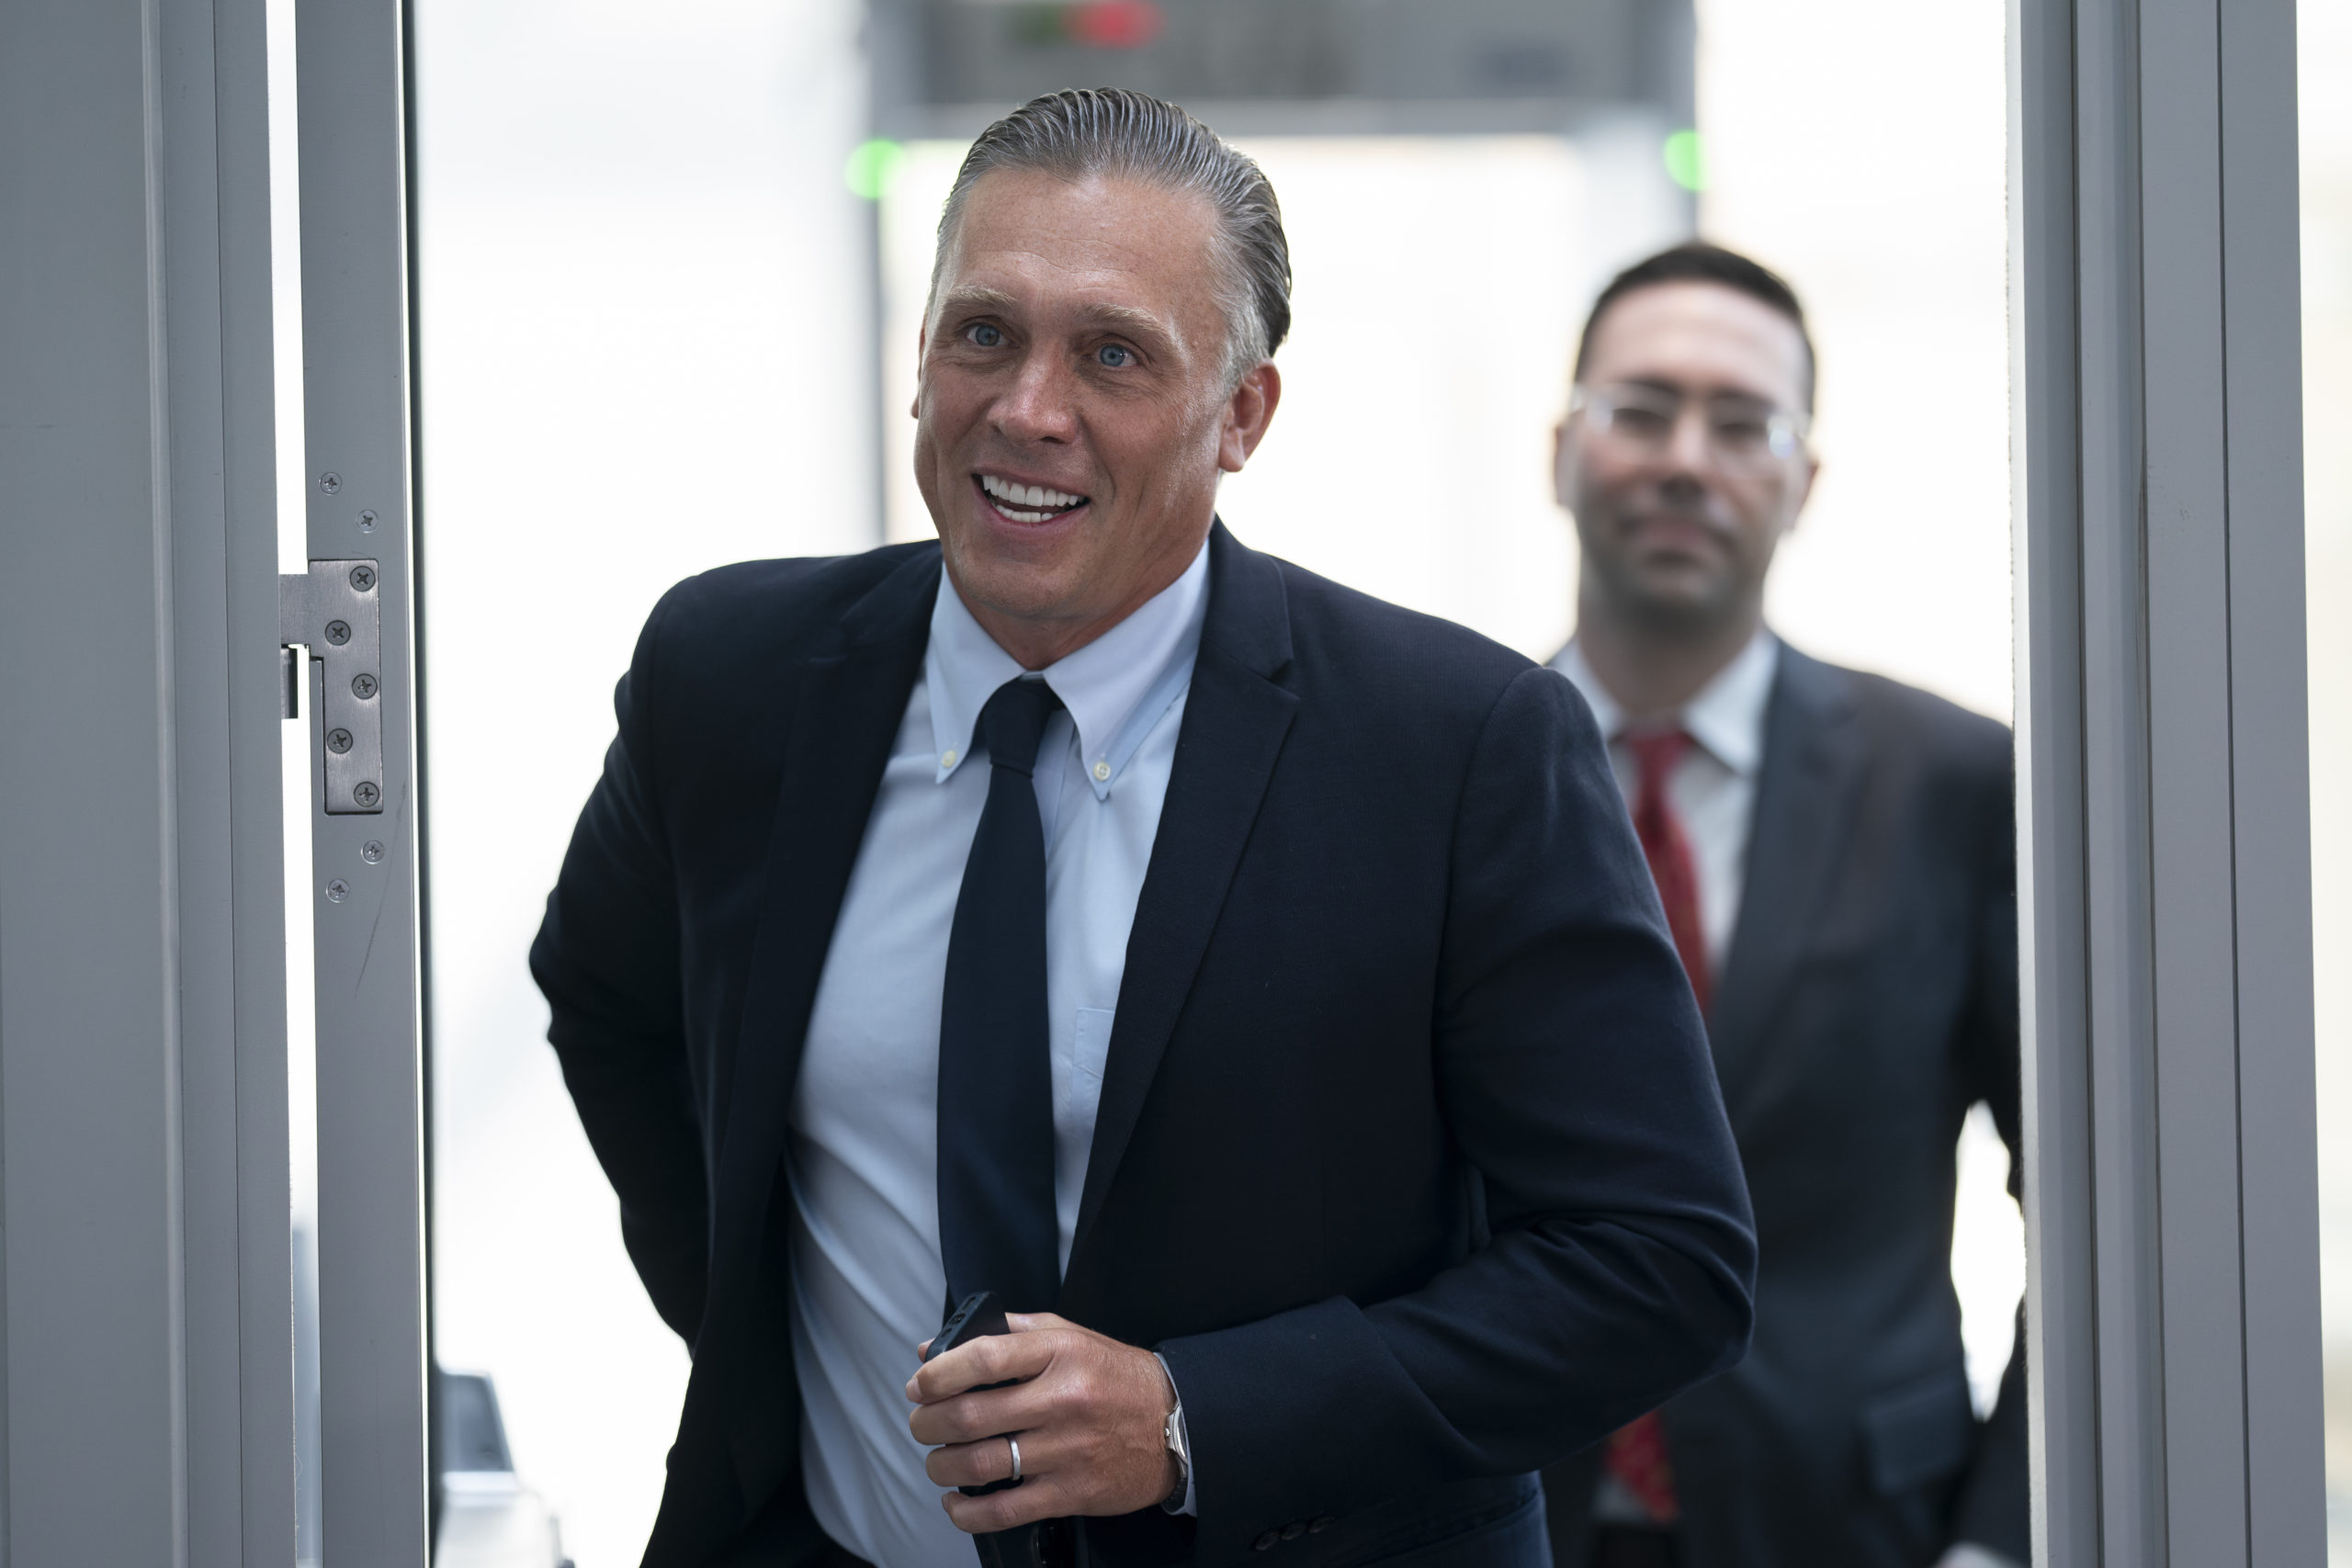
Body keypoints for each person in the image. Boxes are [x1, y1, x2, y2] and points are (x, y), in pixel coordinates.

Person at [532, 90, 1757, 1568]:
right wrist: (766, 1335)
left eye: (1112, 354)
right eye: (983, 332)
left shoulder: (1460, 749)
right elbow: (610, 1006)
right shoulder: (729, 677)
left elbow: (1656, 1265)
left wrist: (1192, 1419)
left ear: (1240, 413)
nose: (1029, 408)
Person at [1532, 243, 2026, 1568]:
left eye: (1742, 422)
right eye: (1641, 410)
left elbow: (2094, 1211)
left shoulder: (1954, 785)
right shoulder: (1455, 778)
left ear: (1801, 483)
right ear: (1563, 453)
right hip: (1518, 1515)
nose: (1687, 457)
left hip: (1862, 1521)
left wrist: (2000, 1538)